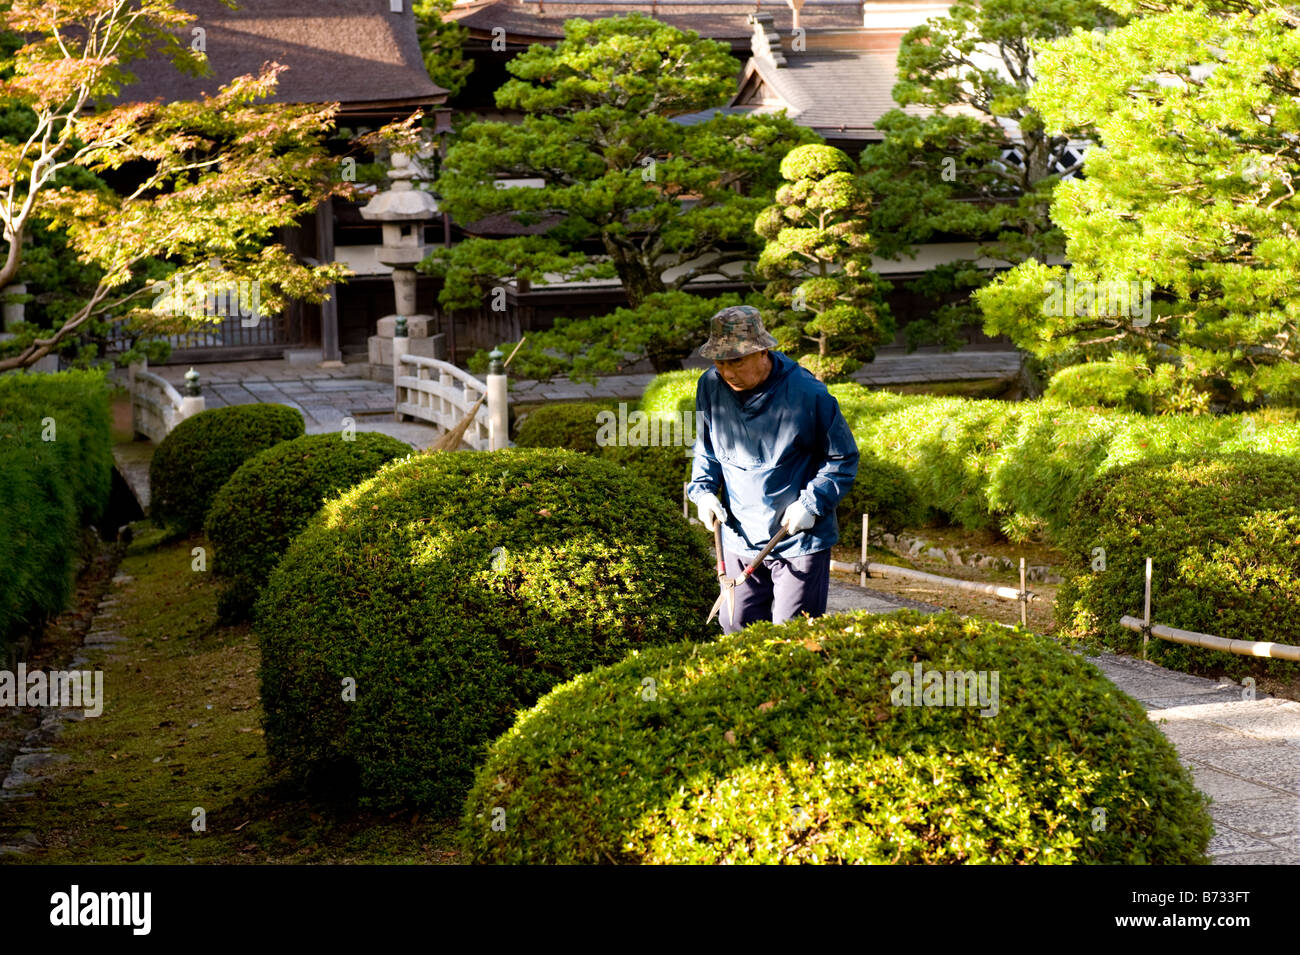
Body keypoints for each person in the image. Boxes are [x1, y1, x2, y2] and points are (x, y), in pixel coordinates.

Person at [687, 305, 859, 634]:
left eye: (735, 361)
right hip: (738, 534)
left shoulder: (808, 395)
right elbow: (707, 449)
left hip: (796, 538)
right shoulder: (710, 386)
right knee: (735, 626)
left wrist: (812, 503)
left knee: (791, 635)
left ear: (763, 351)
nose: (727, 372)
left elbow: (842, 457)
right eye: (719, 362)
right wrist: (703, 491)